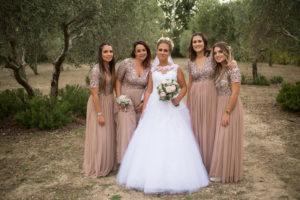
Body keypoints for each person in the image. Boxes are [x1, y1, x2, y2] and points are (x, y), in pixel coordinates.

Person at [117, 37, 209, 194]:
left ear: (169, 52)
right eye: (160, 50)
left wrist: (177, 98)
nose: (162, 52)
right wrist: (145, 108)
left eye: (166, 50)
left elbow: (184, 86)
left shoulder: (176, 68)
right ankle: (148, 175)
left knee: (174, 138)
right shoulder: (153, 70)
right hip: (155, 107)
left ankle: (176, 176)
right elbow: (149, 90)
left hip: (172, 108)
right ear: (157, 50)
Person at [187, 32, 236, 172]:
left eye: (199, 41)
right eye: (194, 42)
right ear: (192, 45)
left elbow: (225, 62)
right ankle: (198, 163)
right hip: (195, 95)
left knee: (209, 127)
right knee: (196, 127)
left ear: (204, 43)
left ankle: (210, 163)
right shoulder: (190, 61)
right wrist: (189, 102)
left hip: (211, 95)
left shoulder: (212, 57)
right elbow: (190, 82)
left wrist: (233, 62)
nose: (197, 44)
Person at [209, 42, 244, 183]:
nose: (217, 55)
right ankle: (223, 170)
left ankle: (225, 172)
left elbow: (235, 93)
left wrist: (227, 112)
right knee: (220, 138)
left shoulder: (233, 69)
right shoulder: (217, 69)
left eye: (220, 52)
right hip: (218, 105)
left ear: (226, 53)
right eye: (215, 52)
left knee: (226, 137)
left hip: (230, 106)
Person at [82, 43, 116, 178]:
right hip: (99, 104)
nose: (109, 54)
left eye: (111, 51)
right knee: (100, 135)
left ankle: (108, 163)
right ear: (100, 54)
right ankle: (98, 165)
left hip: (109, 102)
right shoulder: (96, 69)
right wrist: (99, 113)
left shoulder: (109, 67)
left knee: (109, 134)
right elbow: (94, 93)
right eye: (105, 52)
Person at [115, 40, 152, 164]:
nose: (142, 53)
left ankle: (137, 161)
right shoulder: (126, 63)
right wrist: (119, 98)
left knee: (138, 130)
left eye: (144, 50)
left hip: (140, 100)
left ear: (147, 51)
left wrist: (143, 103)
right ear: (134, 52)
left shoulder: (150, 67)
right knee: (126, 129)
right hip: (126, 100)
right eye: (139, 50)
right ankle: (125, 162)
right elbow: (118, 81)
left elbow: (149, 87)